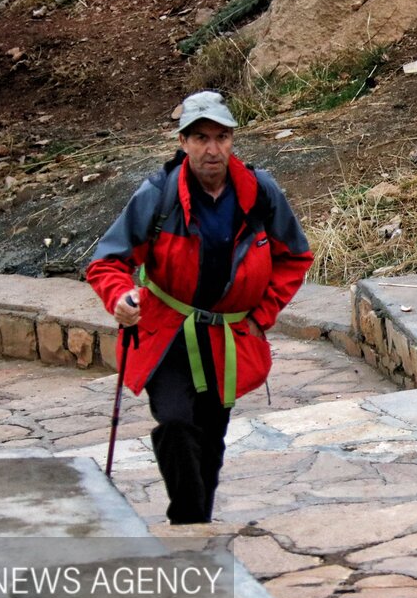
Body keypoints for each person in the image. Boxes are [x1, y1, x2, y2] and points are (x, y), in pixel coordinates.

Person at [87, 90, 313, 523]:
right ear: (183, 142)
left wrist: (261, 315)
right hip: (167, 330)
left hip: (228, 337)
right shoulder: (159, 195)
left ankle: (196, 521)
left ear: (232, 141)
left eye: (221, 137)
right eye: (200, 137)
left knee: (211, 437)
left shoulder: (259, 193)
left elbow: (294, 257)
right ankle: (188, 522)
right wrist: (120, 298)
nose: (212, 149)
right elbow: (108, 261)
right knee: (174, 421)